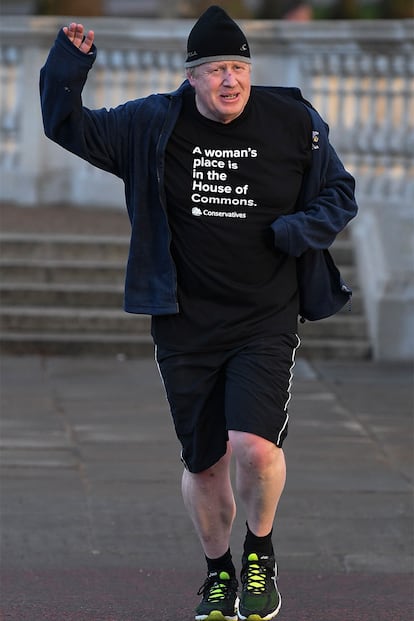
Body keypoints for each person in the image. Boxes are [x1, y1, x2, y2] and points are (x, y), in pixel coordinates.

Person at [40, 6, 357, 620]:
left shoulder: (292, 121)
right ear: (192, 76)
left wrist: (298, 230)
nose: (230, 80)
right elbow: (67, 126)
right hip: (184, 321)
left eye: (239, 67)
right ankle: (219, 572)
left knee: (255, 447)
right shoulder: (152, 124)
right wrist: (68, 65)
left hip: (264, 317)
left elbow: (339, 192)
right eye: (216, 69)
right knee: (204, 461)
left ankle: (260, 550)